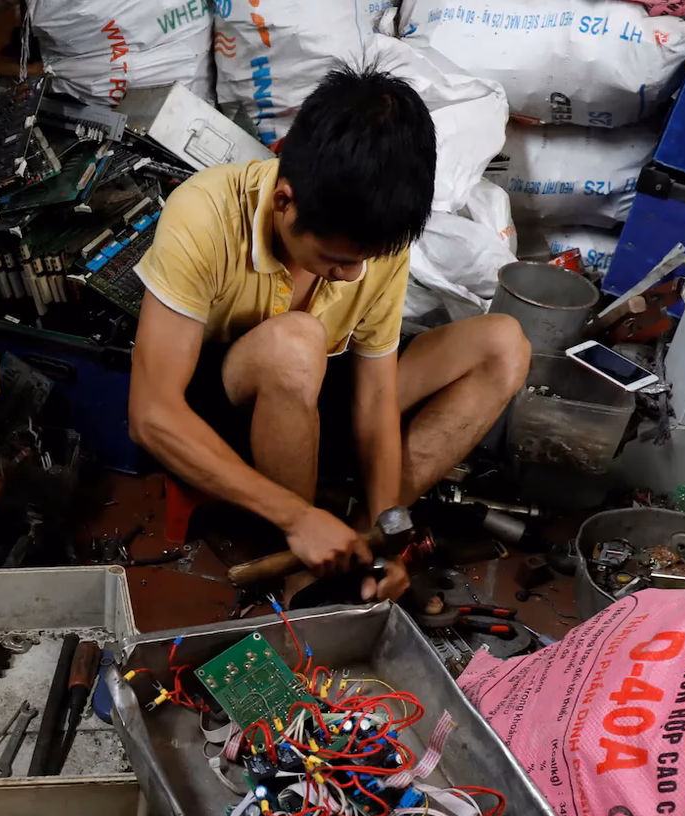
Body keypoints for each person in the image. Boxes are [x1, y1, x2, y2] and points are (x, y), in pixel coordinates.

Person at [127, 66, 531, 601]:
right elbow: (150, 416)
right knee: (296, 342)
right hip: (222, 418)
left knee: (503, 343)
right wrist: (298, 518)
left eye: (364, 261)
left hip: (315, 398)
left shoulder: (371, 246)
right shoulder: (205, 214)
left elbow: (377, 395)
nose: (352, 276)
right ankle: (303, 574)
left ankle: (357, 545)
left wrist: (388, 530)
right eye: (336, 260)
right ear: (284, 202)